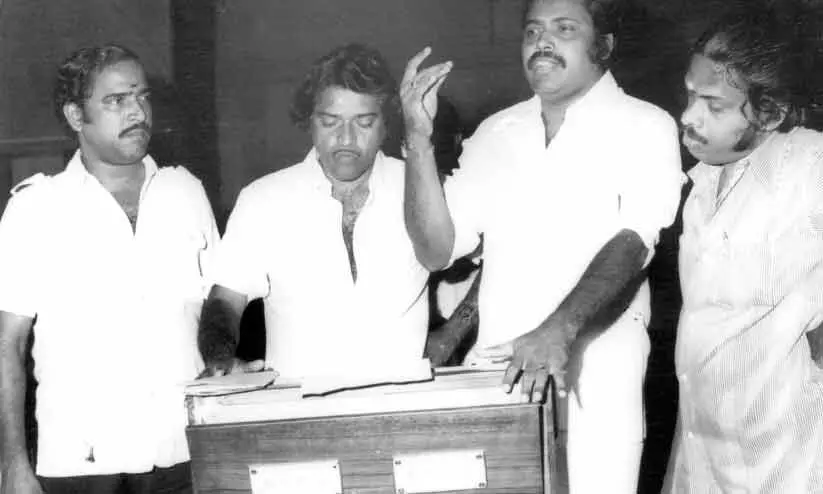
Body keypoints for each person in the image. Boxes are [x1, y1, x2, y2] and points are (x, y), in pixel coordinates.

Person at [400, 0, 684, 490]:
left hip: (598, 376)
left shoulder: (646, 124)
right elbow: (435, 251)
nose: (542, 42)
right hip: (500, 376)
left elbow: (635, 241)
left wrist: (559, 330)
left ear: (604, 45)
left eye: (564, 28)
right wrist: (419, 141)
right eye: (532, 31)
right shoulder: (496, 132)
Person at [0, 44, 218, 493]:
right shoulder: (35, 208)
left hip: (184, 456)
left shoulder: (186, 193)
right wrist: (13, 464)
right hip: (82, 466)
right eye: (116, 100)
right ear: (76, 116)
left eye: (142, 96)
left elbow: (215, 316)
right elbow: (7, 346)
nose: (137, 112)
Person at [197, 44, 429, 379]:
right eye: (330, 121)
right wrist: (221, 360)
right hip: (298, 407)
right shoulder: (264, 200)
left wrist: (454, 331)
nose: (346, 138)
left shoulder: (421, 186)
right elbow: (224, 300)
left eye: (364, 122)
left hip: (404, 405)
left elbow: (490, 248)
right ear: (310, 122)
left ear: (386, 125)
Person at [666, 4, 823, 492]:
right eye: (690, 95)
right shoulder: (702, 183)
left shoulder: (809, 167)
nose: (688, 116)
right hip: (707, 459)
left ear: (770, 112)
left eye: (714, 106)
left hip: (789, 464)